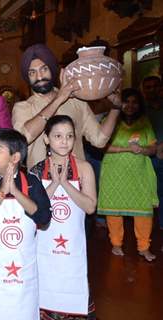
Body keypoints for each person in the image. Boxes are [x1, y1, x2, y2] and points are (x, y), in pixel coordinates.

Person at [0, 128, 51, 320]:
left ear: (15, 157)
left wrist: (15, 192)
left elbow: (44, 218)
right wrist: (1, 193)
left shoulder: (31, 182)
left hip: (24, 271)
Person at [12, 43, 122, 168]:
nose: (39, 77)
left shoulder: (77, 102)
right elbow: (23, 139)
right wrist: (59, 99)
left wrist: (115, 108)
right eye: (32, 73)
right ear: (27, 77)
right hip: (40, 185)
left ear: (52, 70)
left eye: (44, 69)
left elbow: (99, 140)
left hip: (77, 181)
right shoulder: (22, 107)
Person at [30, 115, 97, 319]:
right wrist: (54, 184)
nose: (64, 141)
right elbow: (34, 210)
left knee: (74, 288)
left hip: (73, 247)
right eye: (58, 136)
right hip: (44, 247)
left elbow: (90, 207)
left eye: (69, 136)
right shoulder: (36, 170)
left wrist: (66, 184)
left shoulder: (84, 168)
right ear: (46, 139)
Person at [97, 88, 158, 262]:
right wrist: (128, 149)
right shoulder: (108, 120)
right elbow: (101, 146)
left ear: (140, 105)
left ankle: (144, 247)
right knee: (114, 210)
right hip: (114, 174)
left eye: (134, 102)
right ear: (119, 103)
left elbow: (153, 147)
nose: (130, 106)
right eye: (126, 101)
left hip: (139, 175)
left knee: (143, 212)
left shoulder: (145, 122)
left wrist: (144, 150)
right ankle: (116, 244)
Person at [141, 76, 163, 234]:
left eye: (155, 86)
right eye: (148, 87)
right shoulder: (139, 110)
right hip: (146, 158)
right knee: (147, 194)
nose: (152, 90)